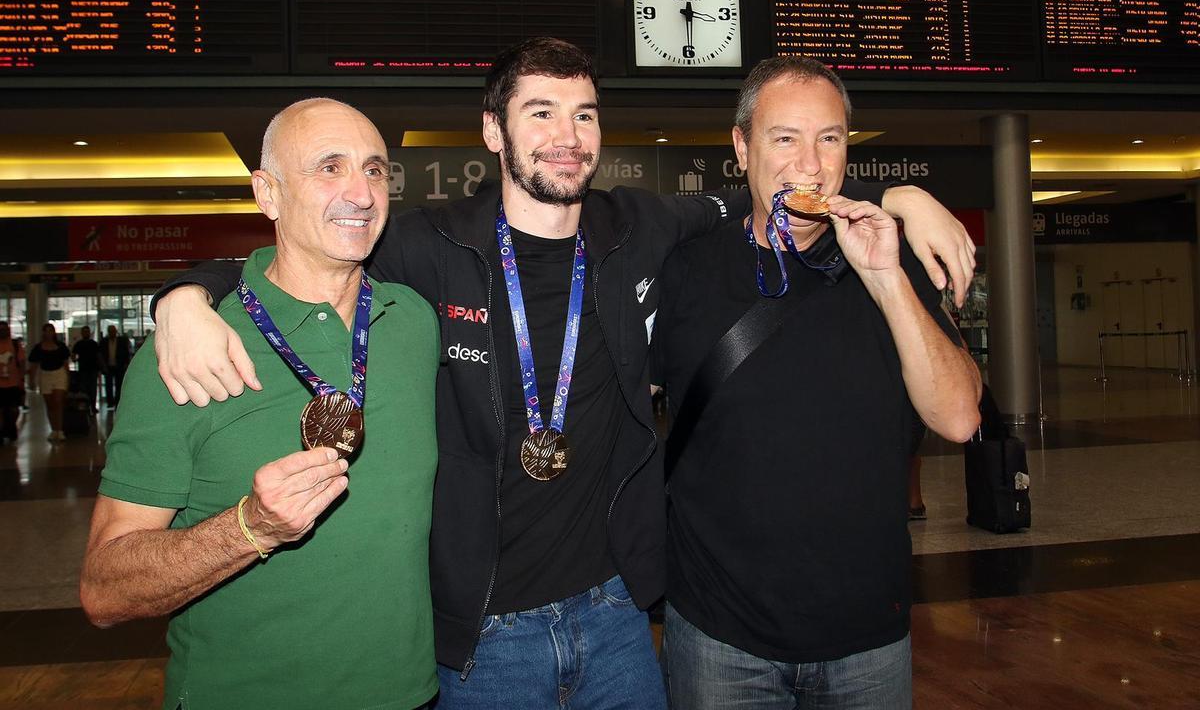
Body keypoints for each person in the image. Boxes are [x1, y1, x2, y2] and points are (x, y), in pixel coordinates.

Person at [149, 39, 975, 708]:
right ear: (493, 131)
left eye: (584, 114)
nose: (567, 135)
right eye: (540, 112)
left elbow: (778, 195)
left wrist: (901, 194)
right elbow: (306, 244)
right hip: (484, 637)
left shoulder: (641, 229)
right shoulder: (429, 246)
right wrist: (184, 294)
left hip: (617, 616)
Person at [79, 98, 441, 710]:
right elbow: (103, 589)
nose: (360, 191)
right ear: (267, 194)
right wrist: (249, 528)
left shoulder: (413, 321)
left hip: (409, 695)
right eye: (328, 167)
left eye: (375, 169)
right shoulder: (189, 354)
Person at [653, 56, 982, 709]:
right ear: (741, 146)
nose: (810, 162)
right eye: (785, 138)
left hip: (867, 640)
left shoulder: (890, 259)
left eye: (829, 138)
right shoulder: (684, 269)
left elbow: (960, 418)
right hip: (720, 637)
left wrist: (886, 277)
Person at [27, 323, 70, 441]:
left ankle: (60, 430)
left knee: (58, 401)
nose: (48, 333)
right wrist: (31, 380)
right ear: (43, 333)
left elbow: (66, 364)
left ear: (54, 332)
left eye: (50, 331)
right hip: (45, 375)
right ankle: (53, 429)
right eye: (46, 331)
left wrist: (68, 379)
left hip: (59, 374)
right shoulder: (38, 348)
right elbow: (34, 365)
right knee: (49, 404)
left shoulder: (61, 346)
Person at [0, 321, 24, 444]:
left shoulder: (15, 344)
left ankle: (11, 426)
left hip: (13, 383)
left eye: (5, 329)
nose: (2, 331)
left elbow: (21, 363)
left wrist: (22, 379)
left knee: (14, 409)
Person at [98, 325, 131, 408]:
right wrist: (103, 366)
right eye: (110, 331)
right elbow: (100, 354)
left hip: (119, 366)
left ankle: (117, 403)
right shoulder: (104, 342)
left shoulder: (121, 341)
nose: (112, 333)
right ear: (108, 332)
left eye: (113, 331)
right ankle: (110, 402)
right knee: (108, 385)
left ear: (116, 331)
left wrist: (126, 364)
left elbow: (126, 353)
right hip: (108, 366)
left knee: (119, 385)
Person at [71, 325, 101, 413]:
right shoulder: (80, 344)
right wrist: (75, 359)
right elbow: (73, 355)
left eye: (87, 332)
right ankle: (87, 407)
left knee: (92, 389)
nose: (86, 333)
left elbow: (98, 356)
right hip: (84, 370)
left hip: (92, 369)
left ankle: (92, 406)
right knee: (85, 389)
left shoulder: (93, 344)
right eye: (84, 332)